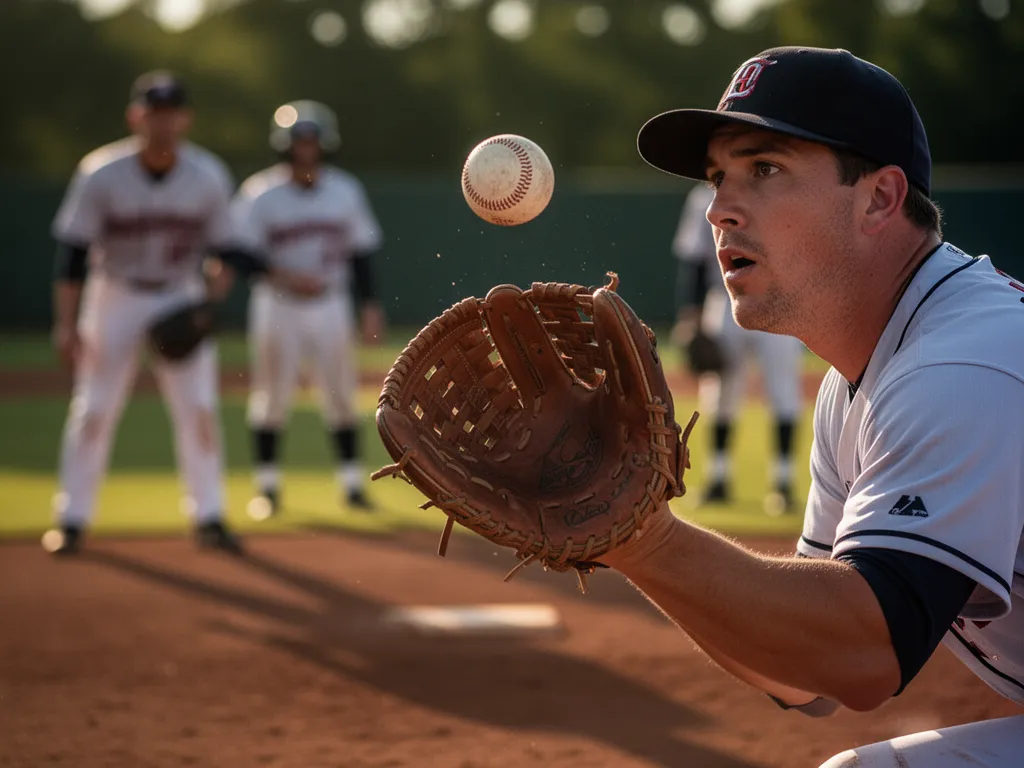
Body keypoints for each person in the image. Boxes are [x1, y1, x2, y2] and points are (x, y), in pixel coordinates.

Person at [605, 46, 1024, 765]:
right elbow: (809, 673)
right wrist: (626, 544)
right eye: (717, 178)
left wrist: (645, 537)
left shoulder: (963, 360)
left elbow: (866, 653)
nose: (718, 209)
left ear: (880, 199)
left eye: (764, 170)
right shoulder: (857, 379)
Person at [44, 71, 245, 555]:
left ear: (185, 118)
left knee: (198, 409)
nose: (162, 122)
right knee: (94, 409)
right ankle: (72, 517)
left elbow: (228, 249)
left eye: (171, 113)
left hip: (178, 291)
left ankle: (210, 514)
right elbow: (72, 253)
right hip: (114, 295)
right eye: (153, 113)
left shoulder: (208, 174)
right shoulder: (101, 172)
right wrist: (66, 323)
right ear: (136, 116)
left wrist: (215, 289)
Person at [232, 101, 386, 519]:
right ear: (285, 145)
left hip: (331, 303)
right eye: (299, 141)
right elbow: (237, 251)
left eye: (312, 140)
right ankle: (267, 488)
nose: (306, 148)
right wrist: (281, 273)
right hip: (276, 304)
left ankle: (353, 485)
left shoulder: (345, 189)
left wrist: (369, 304)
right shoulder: (259, 192)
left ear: (324, 144)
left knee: (340, 392)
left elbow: (361, 252)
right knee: (271, 394)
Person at [670, 181, 804, 513]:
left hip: (781, 300)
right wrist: (692, 314)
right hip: (725, 301)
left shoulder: (783, 191)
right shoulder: (705, 196)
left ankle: (784, 483)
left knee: (784, 391)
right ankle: (718, 479)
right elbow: (697, 261)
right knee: (720, 392)